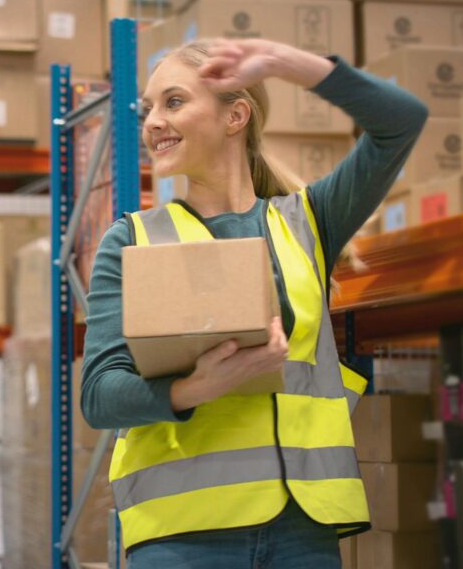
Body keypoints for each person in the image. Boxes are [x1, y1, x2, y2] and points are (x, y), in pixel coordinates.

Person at [81, 38, 428, 568]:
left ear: (235, 115)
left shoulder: (308, 222)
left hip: (303, 531)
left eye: (173, 102)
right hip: (182, 536)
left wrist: (289, 64)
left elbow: (402, 119)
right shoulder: (131, 241)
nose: (152, 122)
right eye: (147, 107)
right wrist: (198, 387)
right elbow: (100, 395)